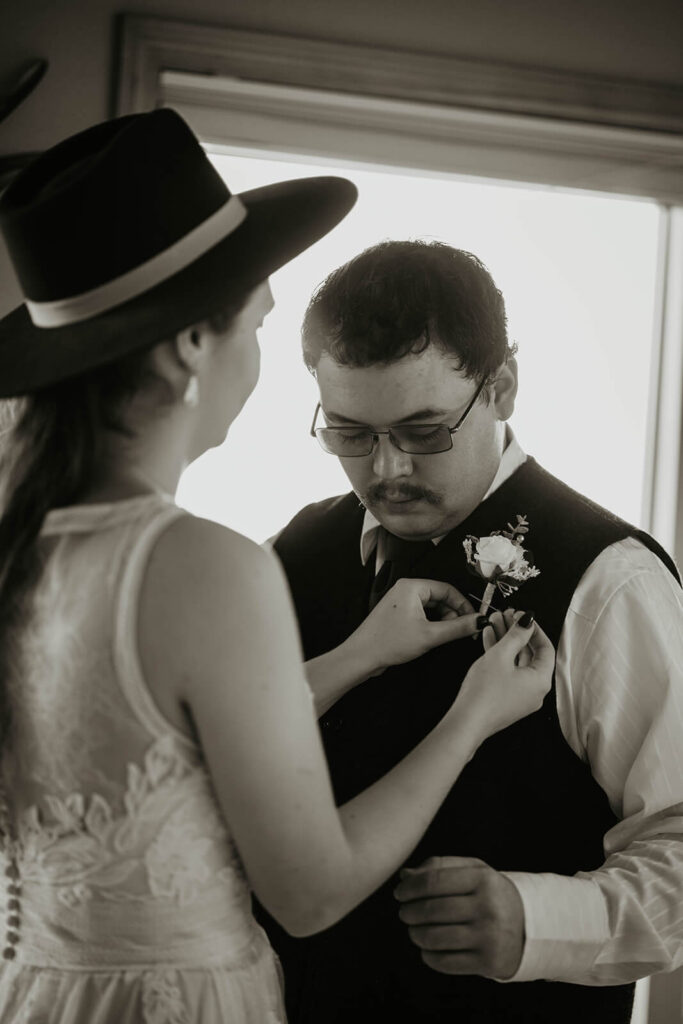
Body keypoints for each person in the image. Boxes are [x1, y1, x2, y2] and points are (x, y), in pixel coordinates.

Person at [0, 111, 553, 1024]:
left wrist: (359, 655)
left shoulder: (26, 547)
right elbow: (312, 891)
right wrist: (471, 717)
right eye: (256, 320)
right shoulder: (203, 566)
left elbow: (157, 747)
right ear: (190, 343)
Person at [257, 239, 683, 1024]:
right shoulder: (288, 553)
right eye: (349, 433)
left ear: (503, 388)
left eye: (423, 432)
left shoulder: (610, 582)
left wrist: (536, 920)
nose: (384, 469)